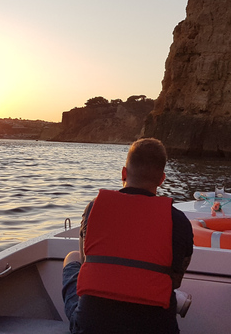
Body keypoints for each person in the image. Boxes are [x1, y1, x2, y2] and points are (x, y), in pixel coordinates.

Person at [61, 138, 194, 334]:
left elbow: (85, 263)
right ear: (161, 179)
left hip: (92, 327)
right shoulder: (179, 221)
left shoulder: (93, 208)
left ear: (124, 173)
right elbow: (175, 281)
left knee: (72, 258)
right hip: (156, 328)